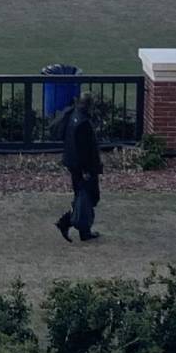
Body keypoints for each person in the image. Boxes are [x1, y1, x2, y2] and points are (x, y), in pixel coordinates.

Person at [55, 92, 103, 243]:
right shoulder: (83, 123)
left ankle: (83, 231)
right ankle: (68, 222)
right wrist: (87, 171)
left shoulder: (73, 115)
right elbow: (84, 151)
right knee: (88, 197)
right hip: (82, 167)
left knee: (83, 196)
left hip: (73, 163)